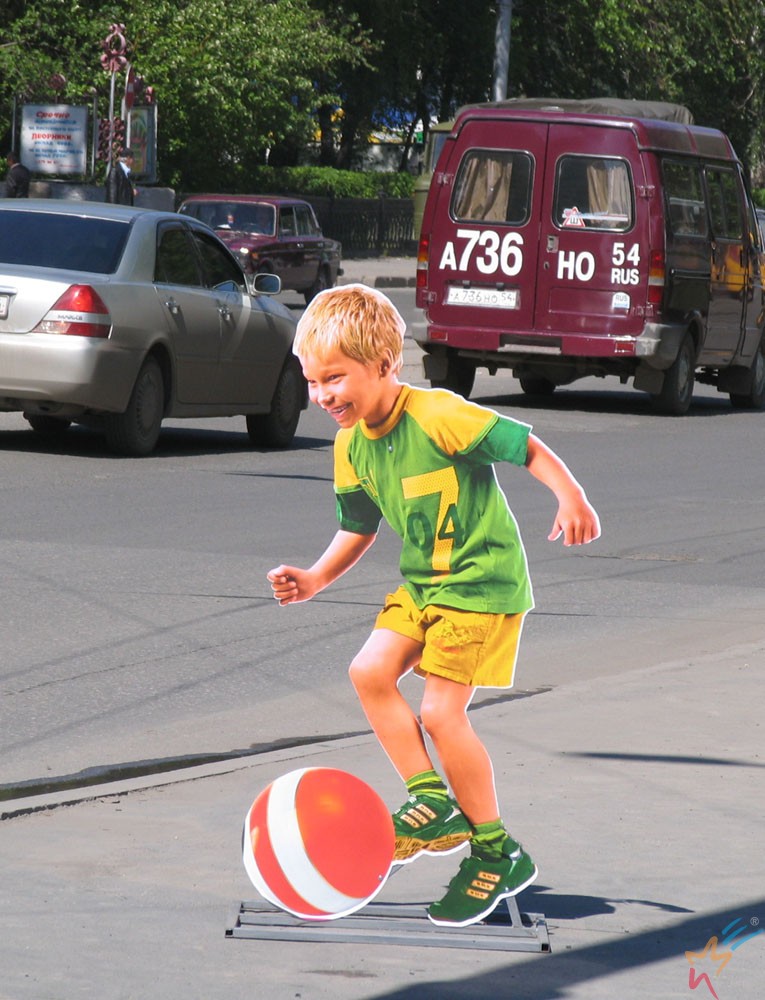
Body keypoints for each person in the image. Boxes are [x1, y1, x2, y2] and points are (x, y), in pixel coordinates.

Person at [267, 284, 601, 928]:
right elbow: (357, 528)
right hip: (424, 588)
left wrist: (571, 497)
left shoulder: (438, 414)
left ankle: (494, 850)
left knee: (442, 714)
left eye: (334, 378)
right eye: (312, 382)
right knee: (367, 672)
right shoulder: (349, 447)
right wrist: (313, 578)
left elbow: (524, 446)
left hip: (481, 586)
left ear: (385, 364)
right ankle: (432, 803)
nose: (322, 396)